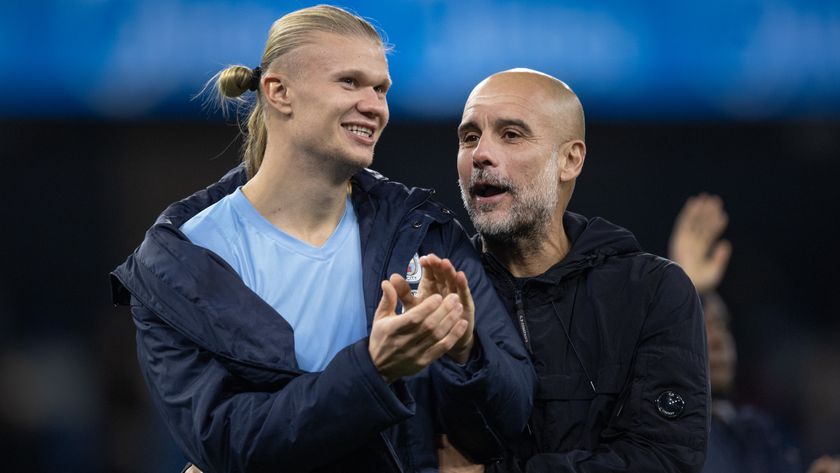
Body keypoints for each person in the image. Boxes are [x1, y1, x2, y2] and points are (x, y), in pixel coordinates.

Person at [110, 6, 535, 472]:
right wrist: (374, 369)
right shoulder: (178, 262)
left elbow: (508, 421)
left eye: (381, 89)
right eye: (349, 82)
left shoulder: (422, 231)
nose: (374, 106)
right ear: (278, 92)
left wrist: (467, 351)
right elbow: (229, 443)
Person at [455, 68, 710, 472]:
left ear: (570, 160)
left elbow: (664, 459)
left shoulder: (651, 292)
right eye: (470, 137)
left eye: (511, 134)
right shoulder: (440, 296)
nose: (480, 154)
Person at [669, 194, 840, 473]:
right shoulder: (654, 428)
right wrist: (683, 288)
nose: (717, 339)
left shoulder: (755, 434)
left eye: (721, 325)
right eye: (699, 325)